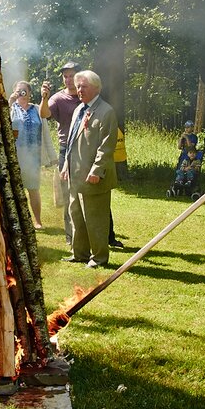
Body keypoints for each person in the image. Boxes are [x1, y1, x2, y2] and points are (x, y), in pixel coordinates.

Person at [60, 70, 118, 269]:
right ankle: (80, 254)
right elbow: (71, 142)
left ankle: (99, 258)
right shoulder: (79, 109)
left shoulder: (106, 111)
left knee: (95, 219)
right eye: (78, 86)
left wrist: (96, 170)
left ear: (96, 88)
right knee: (76, 215)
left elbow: (107, 146)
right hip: (76, 176)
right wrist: (67, 165)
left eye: (83, 86)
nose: (79, 89)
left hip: (94, 177)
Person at [41, 61, 82, 244]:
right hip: (66, 149)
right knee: (67, 193)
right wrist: (44, 97)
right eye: (65, 76)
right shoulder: (57, 98)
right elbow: (44, 114)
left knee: (91, 191)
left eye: (72, 75)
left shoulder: (86, 95)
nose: (68, 79)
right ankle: (70, 235)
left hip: (86, 148)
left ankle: (107, 235)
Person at [9, 81, 43, 228]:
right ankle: (18, 222)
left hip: (33, 155)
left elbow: (45, 132)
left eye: (25, 91)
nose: (22, 93)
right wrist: (10, 101)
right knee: (15, 189)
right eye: (19, 91)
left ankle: (37, 221)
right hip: (16, 155)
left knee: (33, 189)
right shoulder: (10, 108)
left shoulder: (36, 109)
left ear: (29, 93)